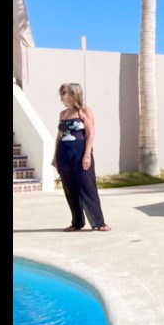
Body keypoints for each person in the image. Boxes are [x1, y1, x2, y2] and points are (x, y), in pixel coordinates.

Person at [53, 82, 111, 231]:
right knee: (69, 188)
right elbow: (59, 137)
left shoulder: (84, 111)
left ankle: (99, 222)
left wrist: (87, 155)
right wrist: (55, 157)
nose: (62, 95)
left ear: (74, 94)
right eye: (61, 92)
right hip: (63, 153)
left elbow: (91, 134)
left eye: (65, 92)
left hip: (80, 153)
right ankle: (77, 222)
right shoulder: (62, 114)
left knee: (87, 186)